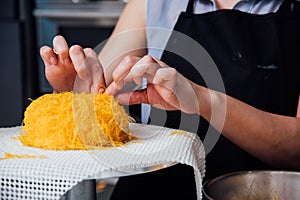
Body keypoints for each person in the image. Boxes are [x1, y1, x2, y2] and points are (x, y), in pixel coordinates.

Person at [40, 0, 300, 199]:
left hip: (253, 191)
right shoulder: (151, 4)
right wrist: (72, 92)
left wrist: (201, 99)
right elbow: (94, 91)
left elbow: (295, 150)